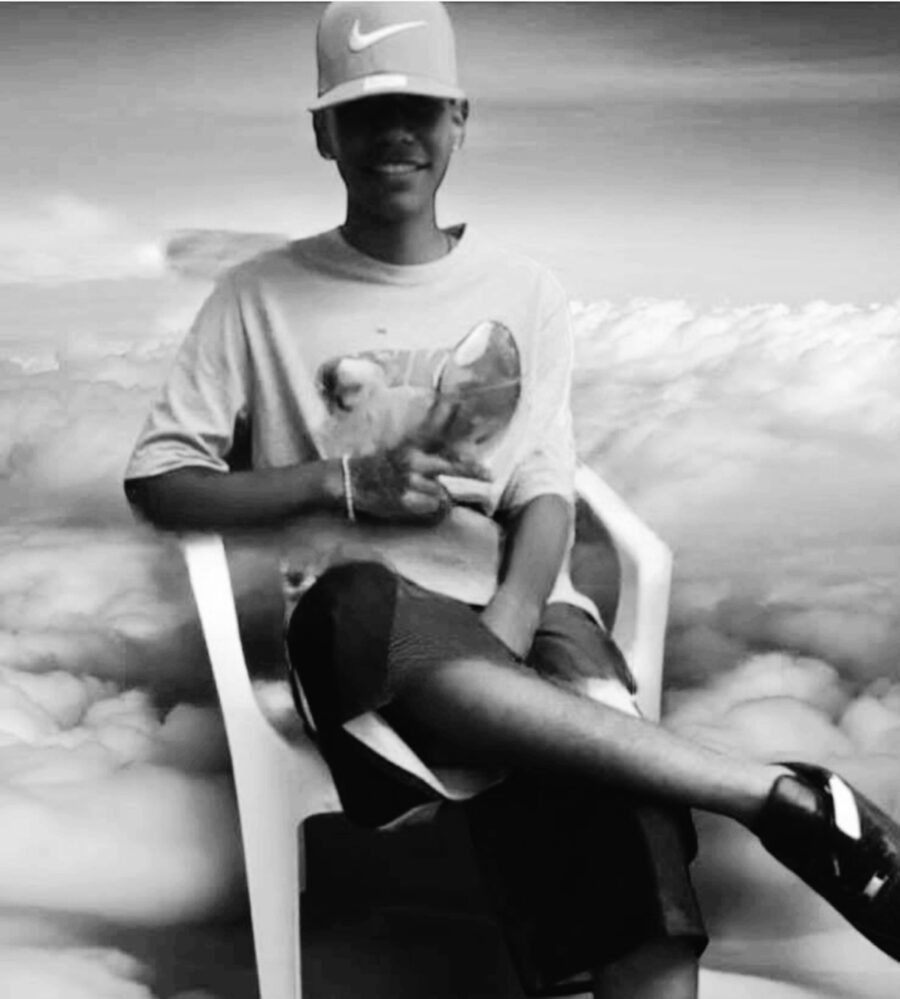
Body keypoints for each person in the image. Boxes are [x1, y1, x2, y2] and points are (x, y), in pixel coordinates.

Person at [124, 3, 900, 997]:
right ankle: (777, 798)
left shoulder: (525, 290)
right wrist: (341, 482)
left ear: (459, 120)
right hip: (363, 618)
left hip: (521, 612)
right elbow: (160, 481)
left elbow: (545, 489)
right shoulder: (254, 298)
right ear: (323, 132)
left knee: (628, 802)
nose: (394, 133)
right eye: (364, 113)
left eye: (418, 108)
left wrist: (513, 618)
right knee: (367, 613)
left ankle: (690, 796)